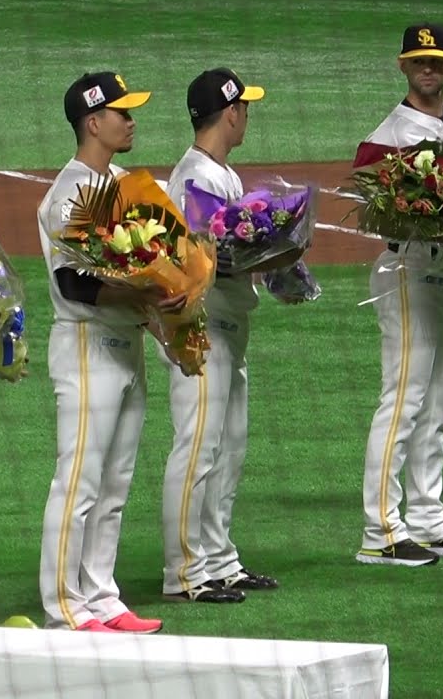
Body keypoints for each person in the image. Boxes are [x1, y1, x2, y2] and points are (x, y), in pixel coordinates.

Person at [36, 71, 184, 633]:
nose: (131, 120)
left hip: (127, 345)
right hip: (86, 347)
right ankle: (64, 606)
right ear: (93, 122)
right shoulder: (68, 194)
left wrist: (165, 293)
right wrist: (142, 291)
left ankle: (101, 596)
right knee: (78, 481)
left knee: (115, 481)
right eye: (122, 112)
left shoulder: (126, 183)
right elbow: (74, 284)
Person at [354, 24, 443, 567]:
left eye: (436, 60)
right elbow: (371, 211)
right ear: (403, 66)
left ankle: (430, 519)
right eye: (418, 60)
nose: (427, 68)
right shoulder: (387, 135)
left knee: (440, 403)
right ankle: (381, 531)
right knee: (404, 402)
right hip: (408, 271)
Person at [158, 68, 280, 604]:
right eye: (244, 107)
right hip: (202, 331)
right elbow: (202, 260)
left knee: (228, 447)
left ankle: (219, 560)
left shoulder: (219, 174)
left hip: (230, 328)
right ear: (231, 112)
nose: (247, 115)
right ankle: (184, 572)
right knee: (198, 449)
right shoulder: (196, 178)